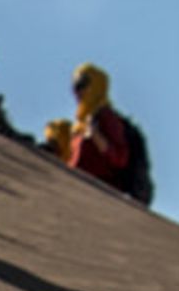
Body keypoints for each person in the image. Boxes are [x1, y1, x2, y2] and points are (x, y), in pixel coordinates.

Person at [65, 62, 154, 205]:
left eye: (82, 85)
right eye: (74, 86)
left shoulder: (106, 117)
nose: (77, 92)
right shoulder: (80, 124)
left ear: (97, 86)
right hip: (76, 191)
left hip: (100, 196)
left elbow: (121, 158)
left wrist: (98, 138)